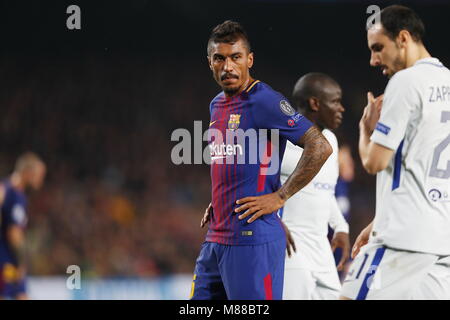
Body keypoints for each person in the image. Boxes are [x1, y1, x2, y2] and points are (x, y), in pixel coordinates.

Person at [192, 20, 332, 300]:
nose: (228, 66)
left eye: (236, 57)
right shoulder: (216, 104)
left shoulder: (265, 100)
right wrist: (221, 198)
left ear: (249, 60)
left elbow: (319, 146)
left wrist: (280, 197)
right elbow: (232, 156)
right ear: (210, 62)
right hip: (216, 238)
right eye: (219, 58)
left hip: (251, 239)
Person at [341, 5, 450, 300]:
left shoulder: (405, 82)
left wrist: (366, 129)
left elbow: (374, 162)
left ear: (403, 38)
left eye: (378, 48)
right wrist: (378, 221)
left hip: (403, 235)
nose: (373, 59)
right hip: (442, 238)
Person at [281, 73, 350, 300]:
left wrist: (340, 227)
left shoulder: (331, 140)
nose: (341, 108)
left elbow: (324, 189)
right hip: (290, 250)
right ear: (315, 103)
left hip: (321, 249)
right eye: (336, 101)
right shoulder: (280, 142)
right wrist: (272, 223)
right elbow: (254, 188)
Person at [0, 152, 46, 299]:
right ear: (28, 173)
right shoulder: (16, 195)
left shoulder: (5, 188)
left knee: (21, 294)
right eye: (39, 175)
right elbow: (14, 233)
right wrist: (22, 261)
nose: (41, 179)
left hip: (7, 258)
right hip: (6, 260)